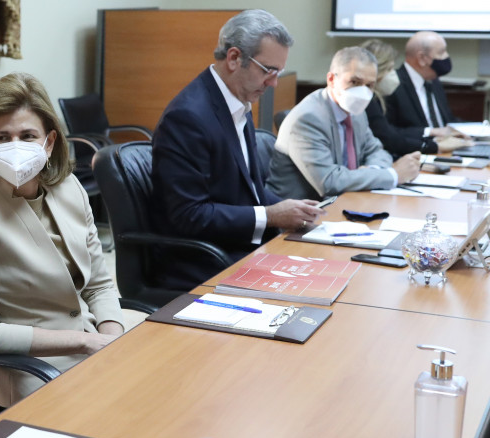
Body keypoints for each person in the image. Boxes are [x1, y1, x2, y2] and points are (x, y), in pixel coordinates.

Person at [0, 72, 124, 408]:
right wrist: (85, 343)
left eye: (28, 136)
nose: (16, 146)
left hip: (94, 347)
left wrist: (112, 339)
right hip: (37, 369)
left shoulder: (70, 189)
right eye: (2, 138)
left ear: (49, 141)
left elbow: (99, 285)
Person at [150, 9, 325, 290]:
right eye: (268, 70)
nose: (274, 82)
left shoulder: (237, 102)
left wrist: (294, 211)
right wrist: (271, 215)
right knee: (312, 289)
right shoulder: (187, 117)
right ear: (234, 58)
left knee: (327, 270)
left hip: (236, 248)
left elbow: (248, 191)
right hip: (203, 261)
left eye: (278, 72)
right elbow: (188, 215)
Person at [267, 47, 421, 201]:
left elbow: (376, 151)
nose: (362, 92)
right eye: (354, 82)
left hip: (346, 201)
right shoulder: (308, 119)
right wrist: (393, 175)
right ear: (331, 80)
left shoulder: (356, 112)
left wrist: (372, 170)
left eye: (369, 85)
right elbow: (329, 182)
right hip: (303, 210)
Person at [384, 31, 470, 144]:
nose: (446, 56)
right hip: (419, 149)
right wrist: (430, 132)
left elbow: (448, 120)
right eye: (441, 52)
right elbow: (388, 132)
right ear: (422, 58)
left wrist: (477, 129)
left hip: (450, 146)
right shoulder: (393, 85)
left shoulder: (433, 80)